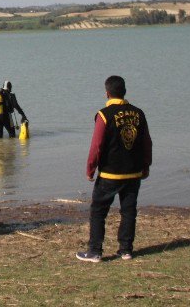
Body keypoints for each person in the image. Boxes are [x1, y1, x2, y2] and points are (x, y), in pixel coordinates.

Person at [77, 75, 152, 263]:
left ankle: (95, 251)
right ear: (124, 92)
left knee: (98, 211)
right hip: (133, 172)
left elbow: (97, 145)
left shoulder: (104, 115)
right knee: (128, 211)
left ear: (107, 93)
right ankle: (126, 250)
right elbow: (146, 142)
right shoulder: (138, 113)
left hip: (110, 173)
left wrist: (90, 169)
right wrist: (146, 165)